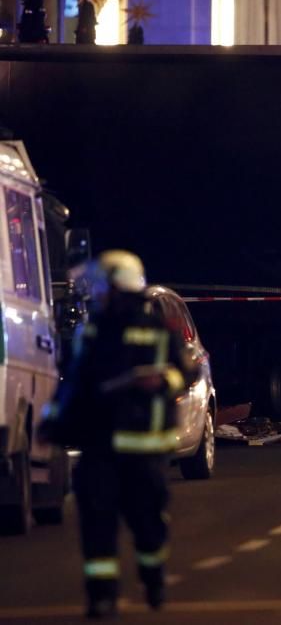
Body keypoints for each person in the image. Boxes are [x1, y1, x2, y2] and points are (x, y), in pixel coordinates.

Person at [38, 251, 198, 619]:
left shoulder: (160, 329)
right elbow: (75, 382)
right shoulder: (93, 331)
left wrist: (160, 382)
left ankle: (153, 574)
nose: (97, 294)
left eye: (103, 286)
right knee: (97, 522)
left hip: (146, 447)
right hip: (101, 446)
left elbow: (187, 372)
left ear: (119, 287)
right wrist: (53, 423)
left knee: (148, 522)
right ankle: (101, 597)